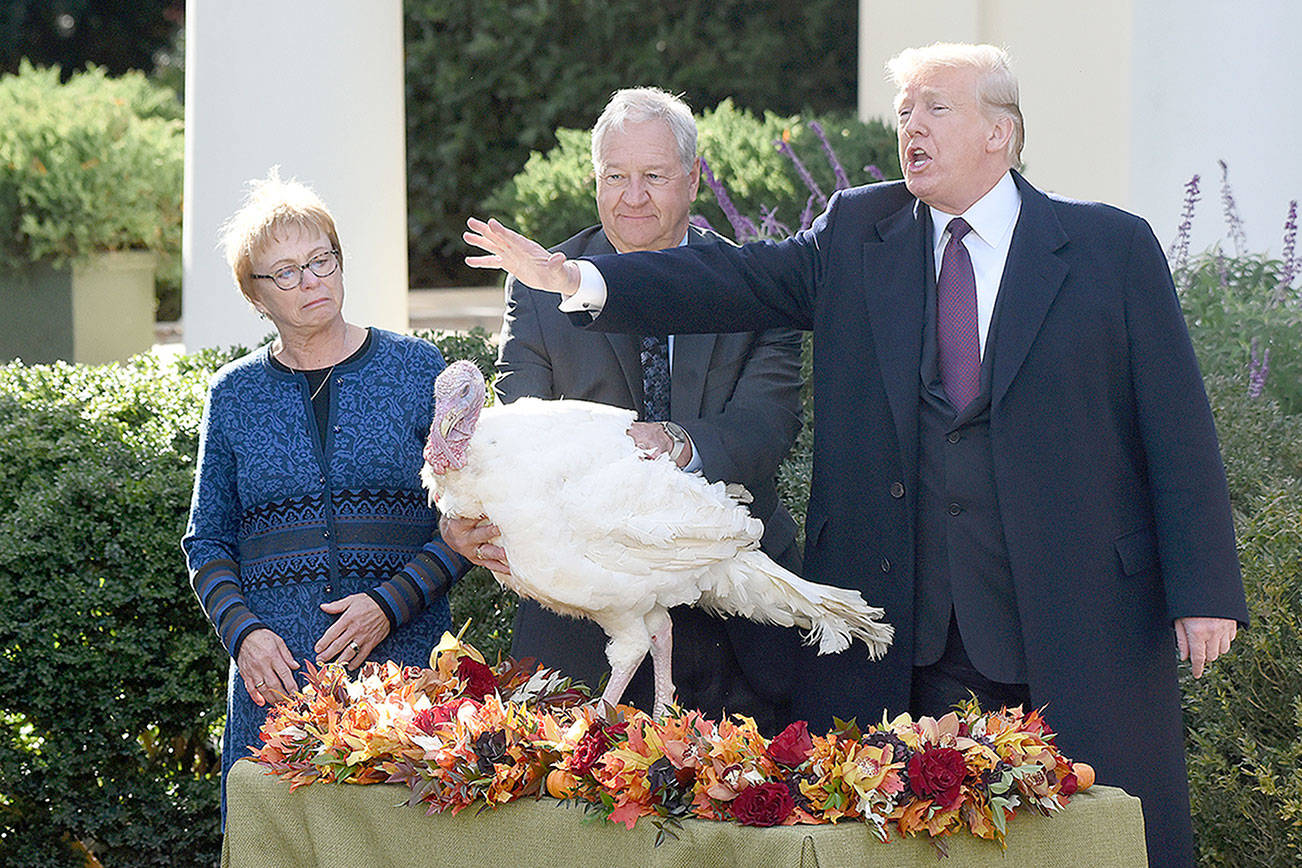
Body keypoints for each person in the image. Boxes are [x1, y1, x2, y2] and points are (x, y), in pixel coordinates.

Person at [463, 44, 1248, 868]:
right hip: (912, 623)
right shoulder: (858, 229)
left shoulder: (1108, 248)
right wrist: (582, 280)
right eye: (905, 110)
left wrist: (1204, 590)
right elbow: (731, 280)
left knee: (1101, 835)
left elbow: (1176, 425)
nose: (912, 127)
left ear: (1000, 134)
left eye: (936, 109)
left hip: (1074, 614)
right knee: (919, 843)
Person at [442, 88, 806, 735]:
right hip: (587, 629)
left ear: (694, 180)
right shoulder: (542, 282)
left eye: (654, 176)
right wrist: (471, 516)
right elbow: (515, 432)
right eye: (616, 176)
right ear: (595, 179)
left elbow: (765, 429)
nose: (631, 196)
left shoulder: (754, 284)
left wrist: (677, 444)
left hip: (737, 628)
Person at [183, 171, 468, 817]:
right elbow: (207, 540)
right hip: (275, 686)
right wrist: (245, 637)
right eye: (285, 272)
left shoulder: (416, 369)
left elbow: (467, 518)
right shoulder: (234, 396)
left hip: (408, 675)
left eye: (321, 260)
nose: (311, 280)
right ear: (254, 296)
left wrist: (390, 604)